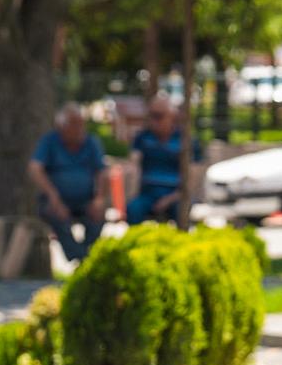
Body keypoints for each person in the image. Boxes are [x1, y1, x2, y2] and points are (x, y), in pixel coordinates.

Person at [29, 103, 109, 264]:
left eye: (81, 124)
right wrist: (53, 196)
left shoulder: (91, 142)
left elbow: (102, 171)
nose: (79, 129)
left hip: (85, 198)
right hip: (56, 199)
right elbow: (35, 168)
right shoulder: (50, 141)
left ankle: (88, 258)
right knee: (57, 216)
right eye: (74, 124)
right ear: (61, 126)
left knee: (98, 216)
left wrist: (99, 198)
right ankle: (80, 258)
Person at [126, 95, 200, 226]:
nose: (154, 120)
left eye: (159, 116)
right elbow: (134, 167)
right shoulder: (143, 137)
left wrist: (170, 199)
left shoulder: (185, 140)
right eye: (151, 115)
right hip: (148, 194)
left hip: (176, 195)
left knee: (181, 210)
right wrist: (131, 193)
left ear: (172, 116)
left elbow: (192, 177)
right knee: (133, 208)